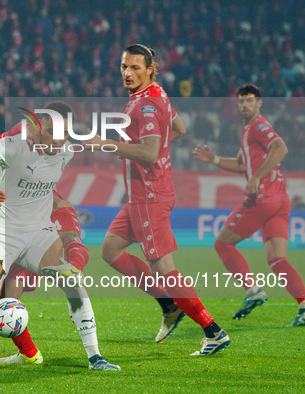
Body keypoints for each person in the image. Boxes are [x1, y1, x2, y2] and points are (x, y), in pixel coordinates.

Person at [0, 102, 120, 371]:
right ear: (39, 129)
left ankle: (95, 357)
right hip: (1, 226)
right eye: (50, 130)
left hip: (38, 230)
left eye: (62, 131)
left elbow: (27, 124)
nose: (56, 137)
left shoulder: (67, 151)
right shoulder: (13, 147)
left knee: (71, 281)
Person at [86, 44, 230, 355]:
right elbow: (178, 128)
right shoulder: (155, 95)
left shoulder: (146, 105)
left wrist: (106, 145)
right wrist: (157, 149)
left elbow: (150, 151)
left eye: (135, 67)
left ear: (151, 68)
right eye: (124, 66)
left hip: (149, 197)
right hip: (143, 196)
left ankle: (212, 330)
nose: (127, 72)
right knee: (110, 249)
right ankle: (168, 304)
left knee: (165, 268)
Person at [193, 83, 305, 326]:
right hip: (280, 199)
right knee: (277, 259)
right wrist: (213, 160)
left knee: (223, 244)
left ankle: (253, 291)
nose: (245, 105)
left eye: (250, 101)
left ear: (259, 103)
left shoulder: (258, 125)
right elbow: (242, 165)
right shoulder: (248, 131)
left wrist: (257, 177)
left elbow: (280, 147)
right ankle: (304, 306)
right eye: (241, 101)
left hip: (263, 198)